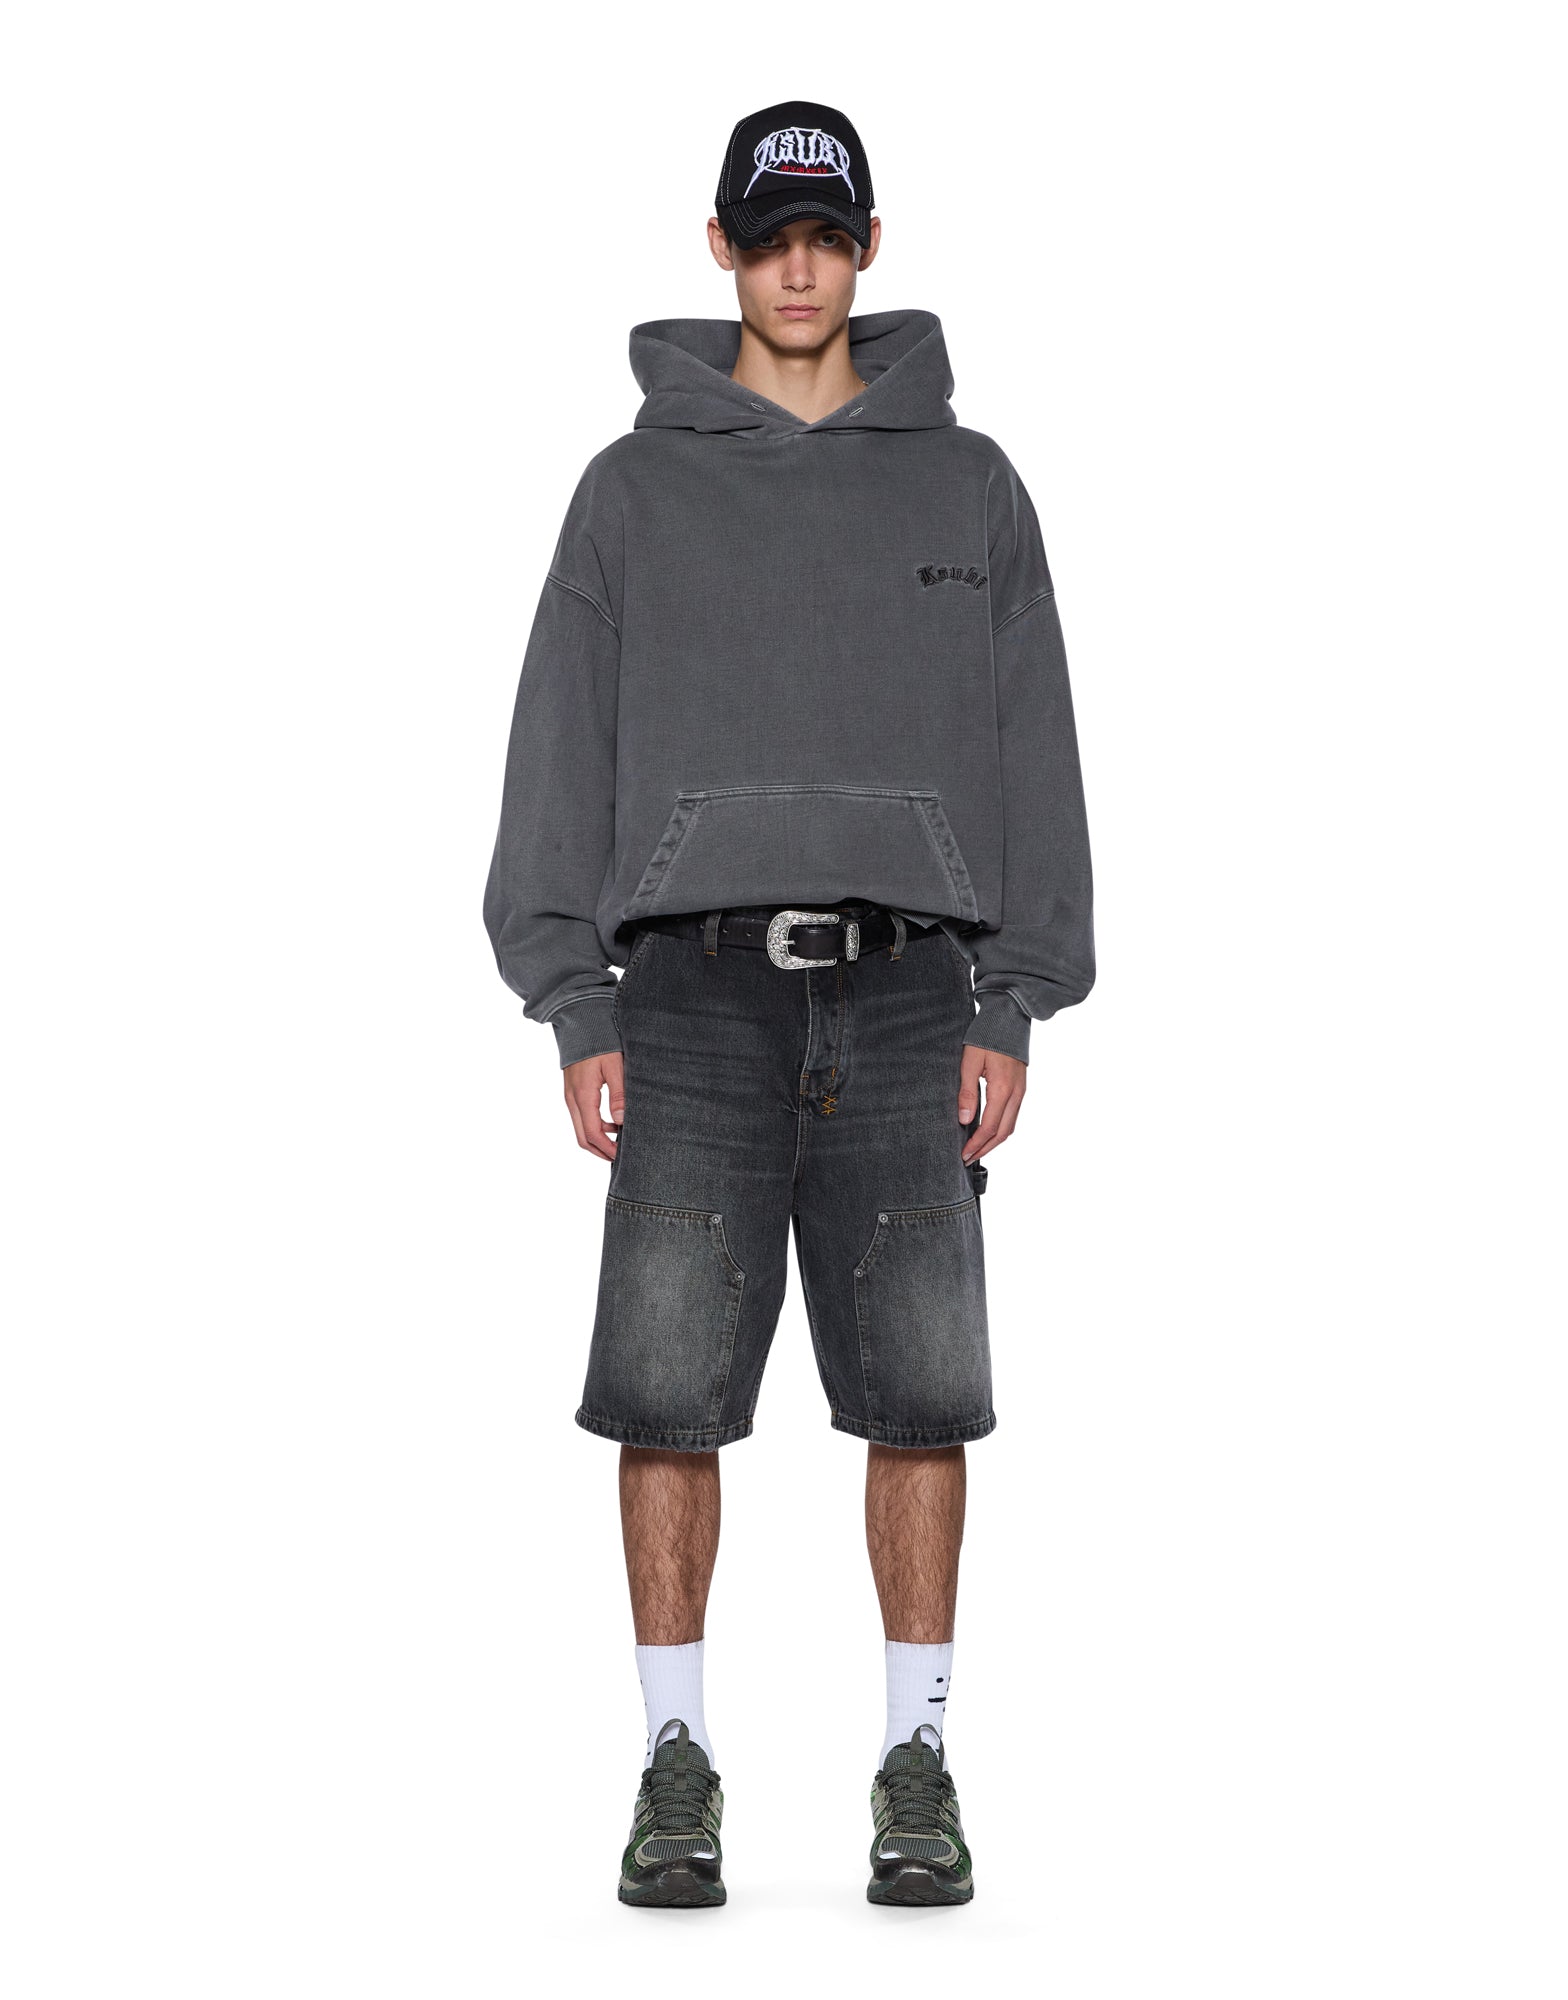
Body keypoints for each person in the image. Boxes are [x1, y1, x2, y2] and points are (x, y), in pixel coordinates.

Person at [484, 99, 1094, 1909]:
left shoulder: (970, 487)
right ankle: (674, 1762)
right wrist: (575, 999)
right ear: (723, 250)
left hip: (914, 996)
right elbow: (557, 751)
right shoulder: (630, 491)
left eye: (827, 237)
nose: (801, 270)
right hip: (684, 999)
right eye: (771, 240)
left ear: (870, 247)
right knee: (666, 1393)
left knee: (924, 1394)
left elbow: (1037, 754)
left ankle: (920, 1761)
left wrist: (1016, 997)